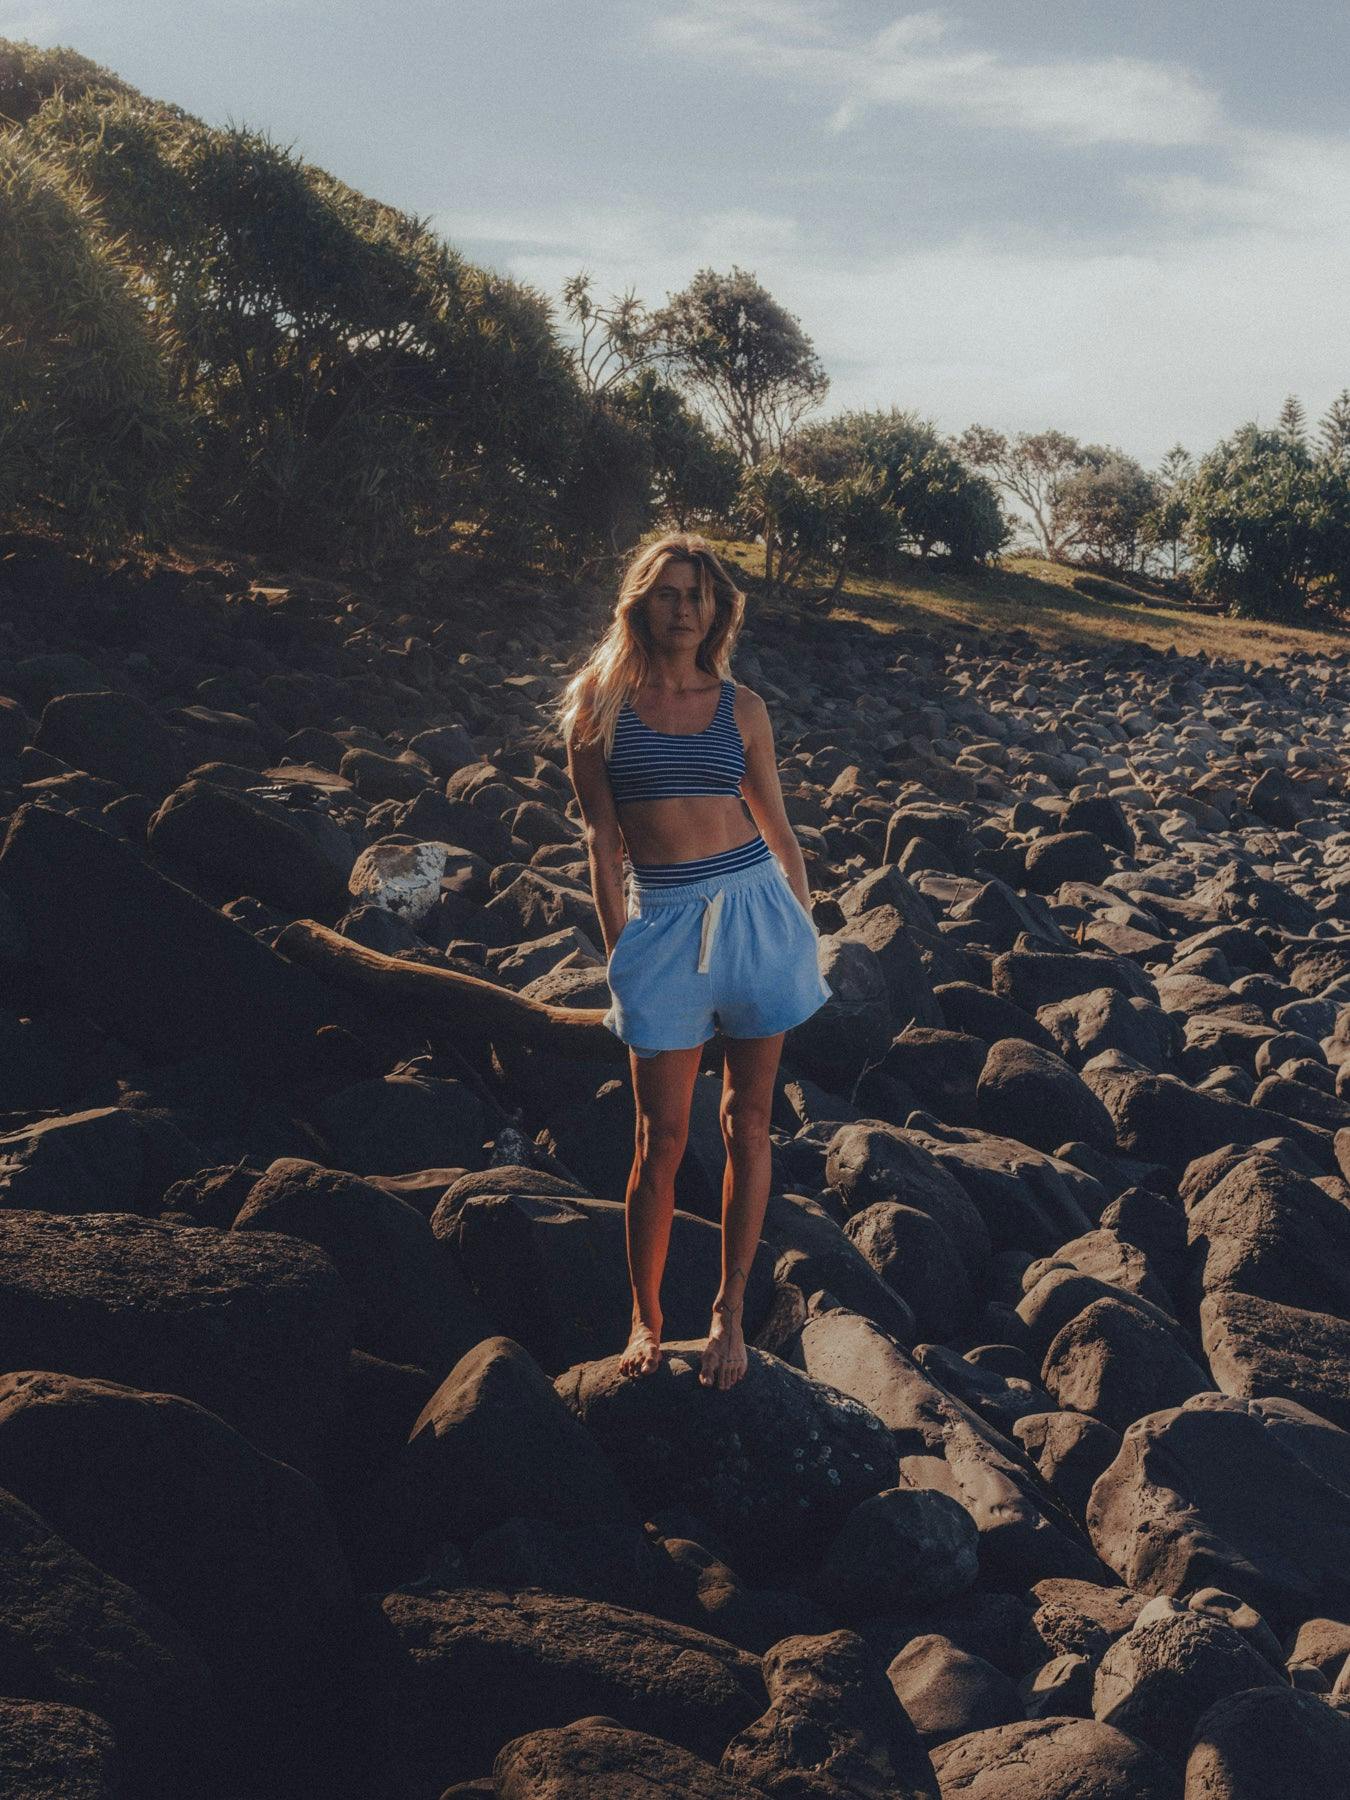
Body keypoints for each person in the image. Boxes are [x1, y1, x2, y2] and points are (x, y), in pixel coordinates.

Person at [553, 532, 831, 1392]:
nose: (685, 609)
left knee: (749, 1121)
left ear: (718, 610)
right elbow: (601, 842)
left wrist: (801, 927)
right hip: (665, 923)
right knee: (661, 1137)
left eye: (699, 595)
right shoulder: (598, 704)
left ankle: (729, 1312)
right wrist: (622, 952)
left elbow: (780, 833)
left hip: (756, 913)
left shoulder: (742, 707)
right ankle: (645, 1316)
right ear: (641, 604)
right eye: (670, 593)